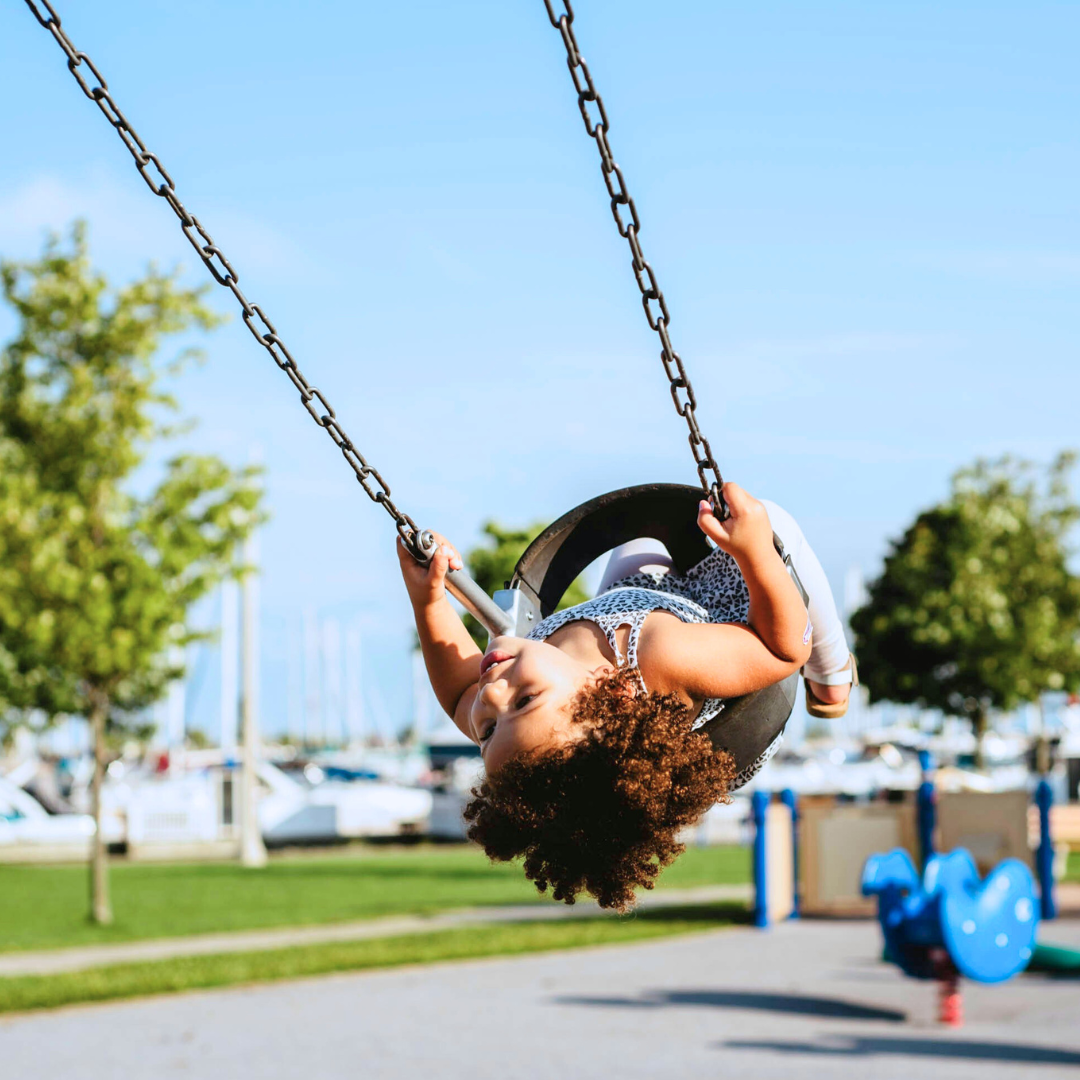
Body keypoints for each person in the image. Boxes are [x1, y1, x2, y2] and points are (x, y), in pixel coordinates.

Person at [398, 482, 856, 909]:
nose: (492, 695)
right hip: (733, 616)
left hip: (634, 597)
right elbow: (781, 649)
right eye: (524, 700)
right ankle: (833, 674)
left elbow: (460, 692)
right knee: (774, 525)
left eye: (488, 729)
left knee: (646, 534)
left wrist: (429, 599)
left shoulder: (532, 714)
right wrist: (755, 552)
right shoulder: (664, 656)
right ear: (613, 694)